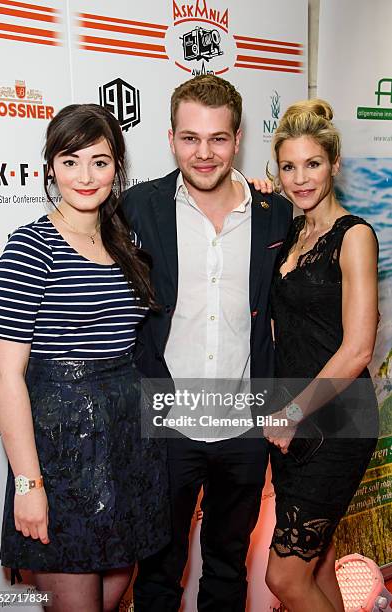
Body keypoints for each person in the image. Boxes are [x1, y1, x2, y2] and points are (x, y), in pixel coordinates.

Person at [121, 74, 292, 611]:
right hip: (167, 421)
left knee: (227, 565)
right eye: (190, 137)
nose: (204, 152)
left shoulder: (276, 212)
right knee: (157, 571)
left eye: (217, 138)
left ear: (237, 139)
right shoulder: (137, 207)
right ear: (170, 138)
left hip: (244, 422)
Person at [0, 103, 170, 612]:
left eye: (100, 161)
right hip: (60, 451)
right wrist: (28, 484)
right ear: (49, 167)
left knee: (114, 596)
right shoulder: (30, 247)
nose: (85, 176)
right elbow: (7, 374)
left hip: (124, 445)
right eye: (70, 161)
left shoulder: (126, 241)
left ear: (118, 167)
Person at [260, 99, 379, 612]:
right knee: (319, 562)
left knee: (284, 578)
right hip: (296, 416)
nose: (300, 178)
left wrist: (291, 413)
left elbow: (357, 348)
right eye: (288, 166)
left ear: (333, 163)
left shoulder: (354, 237)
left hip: (336, 420)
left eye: (312, 164)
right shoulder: (289, 231)